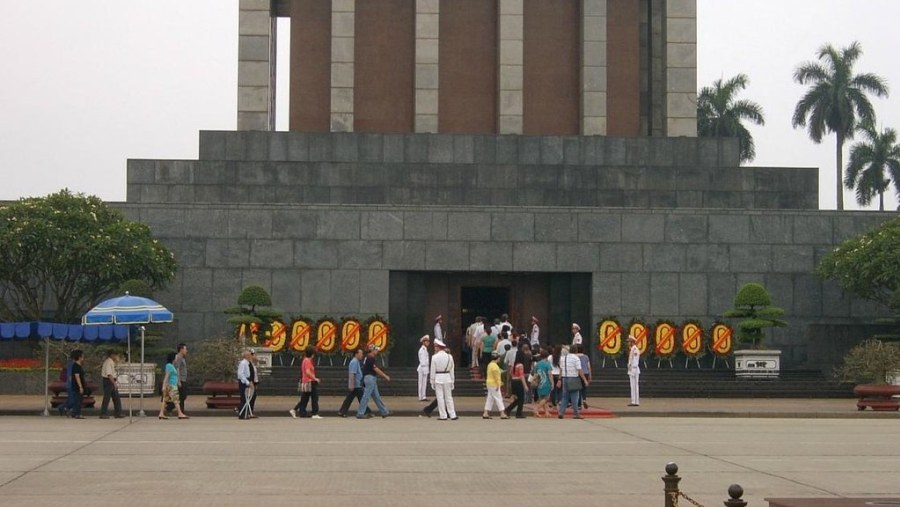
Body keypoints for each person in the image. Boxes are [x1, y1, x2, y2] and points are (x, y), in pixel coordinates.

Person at [357, 345, 391, 418]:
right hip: (370, 378)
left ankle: (384, 412)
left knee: (376, 396)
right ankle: (360, 413)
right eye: (376, 350)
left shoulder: (366, 357)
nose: (377, 351)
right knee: (366, 396)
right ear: (372, 350)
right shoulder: (370, 358)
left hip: (369, 378)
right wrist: (385, 376)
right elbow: (376, 369)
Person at [289, 345, 322, 419]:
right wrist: (315, 378)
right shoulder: (307, 361)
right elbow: (307, 372)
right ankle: (314, 412)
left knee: (305, 398)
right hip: (310, 382)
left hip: (306, 381)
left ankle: (299, 411)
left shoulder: (305, 360)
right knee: (314, 397)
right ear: (312, 354)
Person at [557, 346, 588, 419]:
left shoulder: (563, 358)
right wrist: (584, 380)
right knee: (575, 397)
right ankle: (576, 413)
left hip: (564, 378)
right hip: (573, 378)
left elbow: (561, 369)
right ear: (576, 351)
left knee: (565, 397)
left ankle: (561, 412)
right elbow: (579, 370)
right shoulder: (576, 358)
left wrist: (559, 379)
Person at [429, 338, 457, 420]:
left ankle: (443, 415)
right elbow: (452, 370)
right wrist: (452, 381)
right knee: (449, 397)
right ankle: (452, 414)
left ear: (438, 347)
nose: (434, 348)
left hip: (438, 378)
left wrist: (432, 381)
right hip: (447, 378)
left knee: (440, 398)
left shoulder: (434, 357)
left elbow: (432, 370)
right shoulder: (449, 357)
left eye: (435, 346)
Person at [338, 348, 369, 417]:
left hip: (356, 384)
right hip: (356, 385)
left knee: (350, 399)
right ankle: (367, 411)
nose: (362, 355)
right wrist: (352, 385)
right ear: (356, 354)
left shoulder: (356, 362)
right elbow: (352, 374)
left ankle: (342, 411)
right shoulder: (354, 362)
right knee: (362, 398)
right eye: (361, 353)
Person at [159, 352, 189, 420]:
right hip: (171, 386)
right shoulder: (169, 366)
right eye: (175, 357)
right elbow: (167, 376)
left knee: (165, 400)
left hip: (170, 385)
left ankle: (161, 413)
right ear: (173, 358)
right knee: (176, 400)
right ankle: (180, 413)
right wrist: (163, 386)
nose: (176, 358)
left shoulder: (170, 365)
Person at [99, 350, 123, 419]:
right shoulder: (108, 362)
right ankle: (103, 413)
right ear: (112, 355)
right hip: (108, 381)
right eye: (116, 355)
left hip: (111, 380)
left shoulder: (112, 362)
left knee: (116, 398)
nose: (116, 357)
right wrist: (114, 383)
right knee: (107, 397)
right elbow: (109, 374)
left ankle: (118, 412)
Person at [482, 351, 507, 419]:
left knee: (490, 399)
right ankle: (502, 413)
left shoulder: (490, 364)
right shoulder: (495, 367)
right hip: (494, 384)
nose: (499, 359)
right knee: (498, 398)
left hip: (489, 383)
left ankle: (486, 412)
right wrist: (498, 384)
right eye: (499, 357)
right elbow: (496, 376)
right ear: (497, 358)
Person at [504, 351, 527, 419]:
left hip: (513, 381)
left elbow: (511, 373)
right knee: (521, 398)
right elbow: (521, 376)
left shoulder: (514, 364)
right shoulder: (520, 365)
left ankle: (509, 410)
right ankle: (518, 413)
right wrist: (525, 385)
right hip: (518, 382)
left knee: (518, 398)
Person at [531, 350, 552, 417]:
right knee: (546, 398)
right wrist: (552, 382)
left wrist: (533, 381)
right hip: (546, 383)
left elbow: (535, 374)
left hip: (539, 383)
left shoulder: (537, 364)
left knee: (542, 398)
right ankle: (536, 409)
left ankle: (546, 412)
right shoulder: (547, 364)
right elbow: (550, 374)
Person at [236, 349, 254, 419]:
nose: (251, 356)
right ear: (246, 356)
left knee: (247, 398)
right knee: (243, 399)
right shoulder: (243, 363)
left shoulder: (247, 363)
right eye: (249, 355)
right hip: (243, 382)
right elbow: (240, 374)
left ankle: (245, 413)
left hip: (247, 380)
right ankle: (242, 414)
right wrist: (247, 382)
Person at [69, 350, 87, 419]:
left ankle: (74, 413)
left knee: (78, 399)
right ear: (79, 357)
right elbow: (77, 376)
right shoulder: (76, 366)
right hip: (77, 386)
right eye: (82, 356)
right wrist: (80, 386)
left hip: (78, 385)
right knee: (78, 400)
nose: (83, 357)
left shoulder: (79, 366)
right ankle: (77, 413)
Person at [574, 344, 592, 409]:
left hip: (578, 373)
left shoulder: (575, 357)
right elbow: (589, 367)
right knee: (584, 388)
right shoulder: (586, 356)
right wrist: (590, 375)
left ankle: (579, 405)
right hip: (586, 373)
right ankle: (584, 400)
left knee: (578, 389)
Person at [173, 343, 188, 413]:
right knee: (182, 396)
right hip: (180, 380)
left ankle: (181, 411)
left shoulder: (182, 358)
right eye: (185, 349)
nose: (186, 351)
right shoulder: (178, 357)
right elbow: (177, 369)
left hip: (183, 379)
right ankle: (180, 411)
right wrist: (178, 381)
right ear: (181, 349)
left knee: (182, 396)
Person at [627, 334, 641, 406]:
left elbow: (635, 361)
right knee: (632, 386)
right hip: (632, 370)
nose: (628, 343)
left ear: (632, 342)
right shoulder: (632, 349)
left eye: (629, 342)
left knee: (635, 385)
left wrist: (633, 369)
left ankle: (636, 401)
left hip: (634, 370)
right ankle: (633, 401)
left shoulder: (635, 349)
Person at [416, 334, 430, 401]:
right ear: (423, 342)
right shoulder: (422, 350)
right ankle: (420, 396)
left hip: (425, 368)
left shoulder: (425, 349)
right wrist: (425, 366)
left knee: (424, 383)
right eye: (426, 341)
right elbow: (422, 361)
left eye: (428, 341)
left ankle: (424, 396)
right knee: (421, 383)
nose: (428, 343)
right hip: (422, 368)